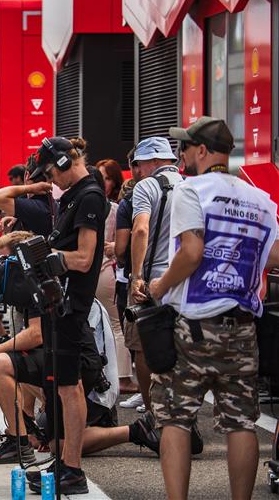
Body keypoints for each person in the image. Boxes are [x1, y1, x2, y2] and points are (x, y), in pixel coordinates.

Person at [149, 117, 279, 500]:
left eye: (185, 148)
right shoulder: (260, 199)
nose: (182, 156)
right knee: (241, 422)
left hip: (194, 324)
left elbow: (191, 252)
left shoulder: (191, 191)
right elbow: (273, 255)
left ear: (202, 151)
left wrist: (160, 285)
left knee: (176, 418)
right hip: (242, 328)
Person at [0, 232, 159, 466]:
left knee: (0, 362)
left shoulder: (42, 285)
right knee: (51, 442)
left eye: (5, 261)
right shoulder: (26, 290)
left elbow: (35, 335)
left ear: (20, 260)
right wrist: (27, 419)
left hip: (92, 381)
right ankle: (23, 437)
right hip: (65, 370)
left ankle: (135, 430)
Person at [24, 136, 107, 494]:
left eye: (49, 172)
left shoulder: (89, 195)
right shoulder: (72, 194)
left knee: (70, 388)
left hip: (73, 305)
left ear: (61, 163)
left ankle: (73, 468)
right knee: (59, 385)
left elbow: (85, 257)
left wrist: (48, 257)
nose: (50, 180)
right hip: (57, 302)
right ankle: (64, 461)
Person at [128, 137, 183, 418]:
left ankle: (154, 414)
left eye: (138, 164)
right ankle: (183, 412)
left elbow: (140, 230)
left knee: (147, 347)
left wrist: (137, 275)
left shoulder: (147, 186)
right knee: (182, 346)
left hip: (155, 281)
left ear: (151, 161)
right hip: (186, 278)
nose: (138, 170)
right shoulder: (191, 186)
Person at [92, 159, 131, 397]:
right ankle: (122, 377)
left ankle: (113, 374)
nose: (103, 182)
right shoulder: (114, 209)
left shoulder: (107, 207)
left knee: (108, 324)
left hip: (103, 271)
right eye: (101, 177)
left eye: (107, 178)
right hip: (106, 270)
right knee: (116, 325)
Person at [114, 152, 142, 396]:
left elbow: (123, 246)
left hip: (136, 279)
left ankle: (149, 402)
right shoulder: (183, 192)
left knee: (139, 341)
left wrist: (134, 272)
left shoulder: (129, 203)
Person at [0, 156, 55, 238]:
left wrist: (30, 188)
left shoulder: (36, 206)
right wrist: (18, 218)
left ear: (26, 175)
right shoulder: (50, 203)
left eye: (11, 178)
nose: (11, 182)